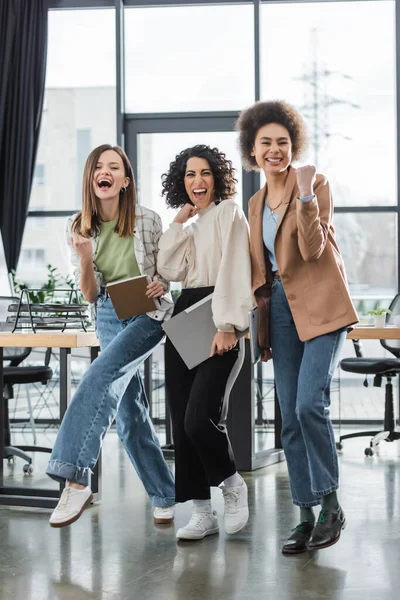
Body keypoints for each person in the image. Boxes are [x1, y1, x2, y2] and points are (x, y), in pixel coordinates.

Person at [236, 101, 358, 553]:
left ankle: (331, 506)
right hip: (283, 314)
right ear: (252, 149)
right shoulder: (253, 202)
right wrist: (263, 329)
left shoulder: (314, 183)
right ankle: (304, 515)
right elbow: (260, 273)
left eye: (282, 142)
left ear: (294, 146)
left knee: (310, 404)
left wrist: (305, 195)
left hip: (323, 306)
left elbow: (311, 250)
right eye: (265, 142)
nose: (274, 150)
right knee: (289, 415)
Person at [46, 144, 175, 528]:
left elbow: (167, 266)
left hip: (147, 313)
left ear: (125, 180)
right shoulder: (77, 226)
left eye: (114, 167)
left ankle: (75, 475)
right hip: (107, 311)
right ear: (91, 178)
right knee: (129, 410)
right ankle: (165, 494)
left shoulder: (148, 219)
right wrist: (85, 256)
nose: (105, 172)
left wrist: (161, 282)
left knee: (100, 375)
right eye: (98, 167)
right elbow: (89, 293)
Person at [157, 144, 254, 541]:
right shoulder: (192, 225)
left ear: (217, 177)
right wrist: (179, 223)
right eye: (189, 175)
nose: (197, 182)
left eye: (205, 173)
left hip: (220, 313)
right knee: (182, 422)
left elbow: (236, 268)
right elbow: (168, 268)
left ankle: (232, 484)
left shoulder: (229, 212)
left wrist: (229, 325)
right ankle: (201, 511)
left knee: (201, 416)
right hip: (186, 313)